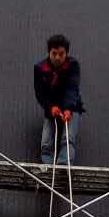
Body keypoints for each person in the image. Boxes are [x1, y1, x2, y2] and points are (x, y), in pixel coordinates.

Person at [34, 34, 83, 166]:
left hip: (71, 106)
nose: (57, 57)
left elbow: (72, 88)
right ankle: (48, 167)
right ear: (49, 52)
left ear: (66, 54)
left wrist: (68, 108)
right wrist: (51, 107)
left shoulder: (73, 65)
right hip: (51, 107)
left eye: (61, 54)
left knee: (68, 138)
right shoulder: (39, 68)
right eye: (54, 53)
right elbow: (40, 94)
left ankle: (63, 166)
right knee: (46, 142)